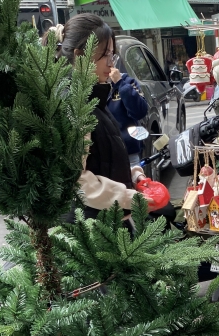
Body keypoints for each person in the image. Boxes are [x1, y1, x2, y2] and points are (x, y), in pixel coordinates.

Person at [43, 15, 145, 220]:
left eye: (112, 55)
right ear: (81, 55)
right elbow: (77, 180)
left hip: (108, 223)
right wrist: (127, 197)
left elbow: (99, 160)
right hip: (90, 232)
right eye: (105, 54)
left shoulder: (93, 99)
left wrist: (133, 175)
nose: (111, 63)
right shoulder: (73, 105)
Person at [107, 66, 149, 167]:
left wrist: (120, 83)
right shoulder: (87, 86)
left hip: (128, 153)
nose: (109, 62)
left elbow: (140, 111)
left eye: (110, 55)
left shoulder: (127, 82)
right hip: (100, 156)